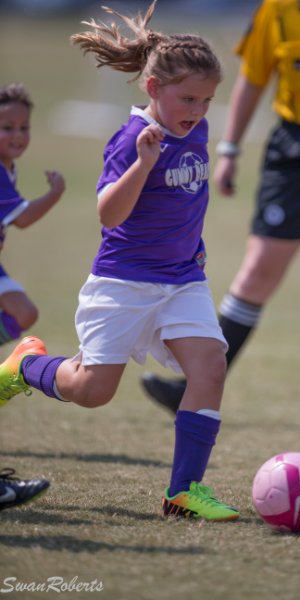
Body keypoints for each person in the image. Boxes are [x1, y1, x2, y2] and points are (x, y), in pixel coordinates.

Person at [0, 1, 239, 521]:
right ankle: (25, 366)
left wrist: (189, 244)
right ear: (154, 89)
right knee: (91, 391)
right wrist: (144, 164)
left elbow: (187, 196)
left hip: (182, 281)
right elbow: (109, 213)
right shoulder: (133, 139)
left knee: (210, 367)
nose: (198, 110)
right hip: (123, 284)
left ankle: (184, 490)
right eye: (188, 98)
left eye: (207, 100)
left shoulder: (192, 127)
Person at [140, 0, 300, 423]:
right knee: (259, 270)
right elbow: (252, 81)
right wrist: (229, 149)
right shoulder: (278, 11)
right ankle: (191, 386)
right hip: (299, 149)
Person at [0, 82, 65, 348]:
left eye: (24, 127)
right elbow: (22, 218)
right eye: (7, 128)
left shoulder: (7, 168)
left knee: (24, 313)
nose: (18, 135)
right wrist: (56, 193)